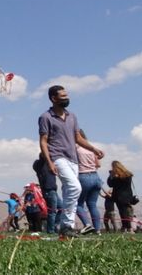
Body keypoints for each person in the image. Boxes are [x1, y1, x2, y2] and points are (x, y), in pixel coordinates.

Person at [38, 85, 104, 238]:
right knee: (75, 188)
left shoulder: (72, 116)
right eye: (63, 96)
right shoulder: (45, 117)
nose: (66, 98)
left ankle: (67, 229)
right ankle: (66, 224)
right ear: (54, 98)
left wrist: (94, 149)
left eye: (67, 95)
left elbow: (78, 138)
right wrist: (49, 162)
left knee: (69, 191)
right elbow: (43, 141)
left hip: (73, 158)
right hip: (57, 156)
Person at [74, 130, 102, 235]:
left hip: (83, 176)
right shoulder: (91, 148)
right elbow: (98, 164)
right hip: (95, 176)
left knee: (77, 203)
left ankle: (87, 225)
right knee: (93, 205)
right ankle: (98, 229)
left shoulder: (76, 148)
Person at [33, 154, 62, 234]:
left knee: (61, 207)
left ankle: (55, 226)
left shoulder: (49, 164)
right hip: (48, 190)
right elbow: (41, 159)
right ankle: (51, 230)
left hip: (53, 190)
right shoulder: (39, 164)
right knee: (52, 211)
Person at [107, 161, 135, 233]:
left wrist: (111, 176)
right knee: (125, 212)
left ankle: (128, 228)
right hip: (128, 196)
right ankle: (125, 227)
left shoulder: (116, 177)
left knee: (123, 213)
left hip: (119, 197)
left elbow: (110, 184)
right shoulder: (128, 175)